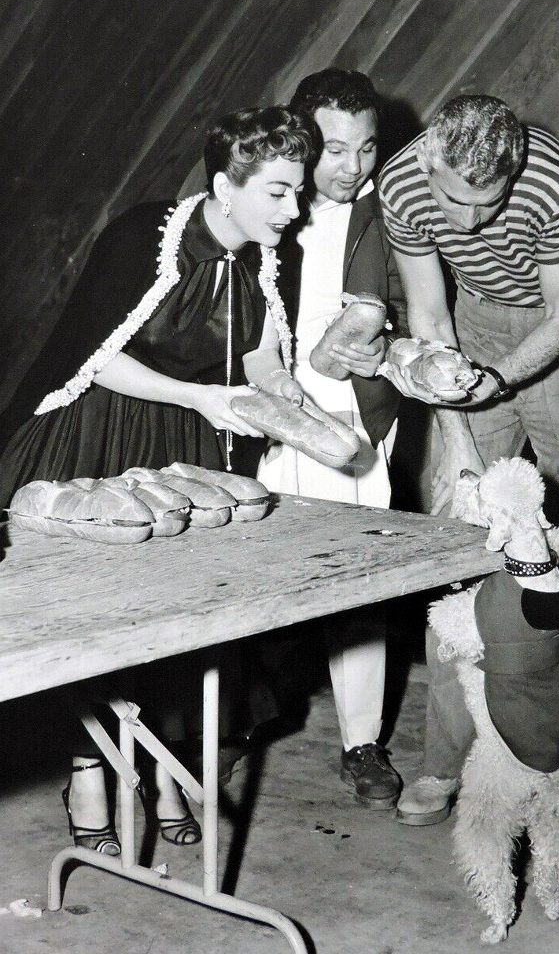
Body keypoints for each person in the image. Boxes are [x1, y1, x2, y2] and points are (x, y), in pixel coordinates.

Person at [0, 105, 315, 853]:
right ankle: (86, 771)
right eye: (276, 192)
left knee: (175, 622)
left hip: (181, 441)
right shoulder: (146, 237)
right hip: (96, 427)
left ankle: (163, 766)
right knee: (92, 618)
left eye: (296, 192)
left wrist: (286, 400)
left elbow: (264, 354)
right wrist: (203, 397)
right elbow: (94, 355)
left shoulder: (268, 257)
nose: (292, 209)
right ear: (224, 186)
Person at [377, 94, 559, 819]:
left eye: (489, 204)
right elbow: (427, 314)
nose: (471, 222)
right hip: (470, 317)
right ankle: (445, 761)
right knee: (460, 537)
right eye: (456, 202)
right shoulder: (399, 181)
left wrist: (503, 379)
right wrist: (456, 430)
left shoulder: (556, 179)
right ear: (428, 160)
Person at [181, 70, 407, 809]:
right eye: (334, 149)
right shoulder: (266, 203)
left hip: (356, 422)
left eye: (366, 149)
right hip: (270, 416)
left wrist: (389, 342)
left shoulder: (391, 208)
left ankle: (362, 739)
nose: (352, 167)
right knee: (255, 573)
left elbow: (416, 298)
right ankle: (238, 728)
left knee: (359, 581)